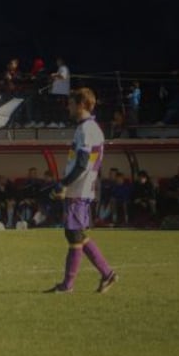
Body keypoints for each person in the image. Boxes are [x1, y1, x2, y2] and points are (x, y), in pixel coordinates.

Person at [45, 87, 118, 294]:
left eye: (71, 103)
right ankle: (107, 274)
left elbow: (83, 163)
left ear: (81, 105)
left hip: (79, 189)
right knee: (77, 233)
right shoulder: (86, 128)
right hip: (80, 188)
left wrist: (64, 184)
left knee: (74, 234)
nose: (68, 106)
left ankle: (68, 286)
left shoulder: (87, 130)